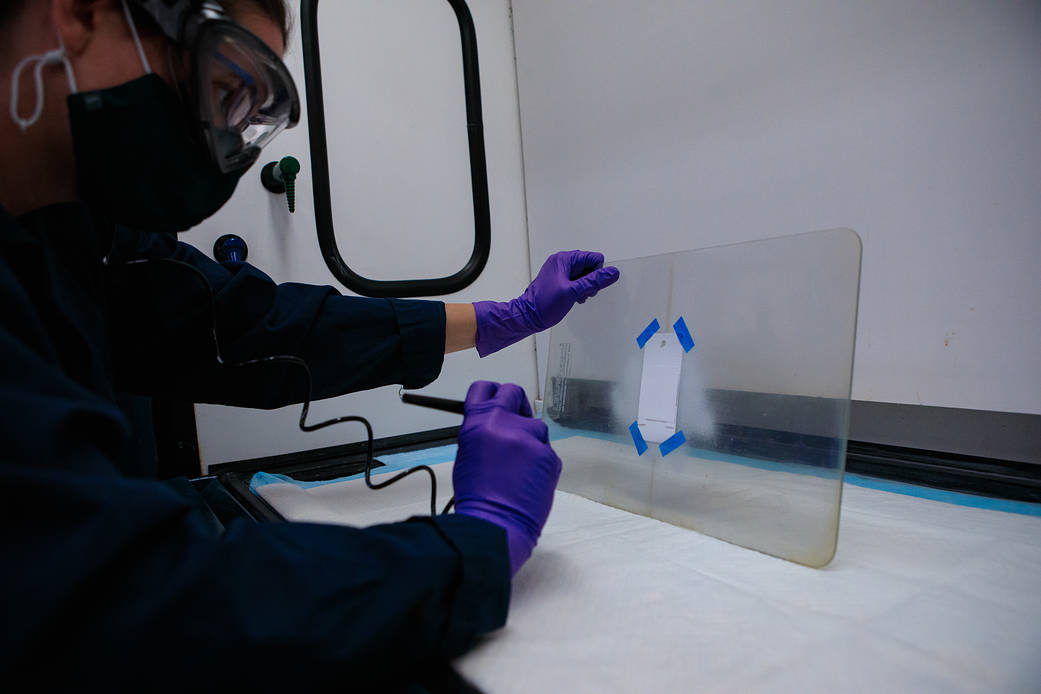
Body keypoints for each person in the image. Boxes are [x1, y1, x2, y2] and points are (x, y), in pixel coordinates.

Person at [0, 0, 620, 690]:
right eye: (222, 87)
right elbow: (116, 603)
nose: (220, 137)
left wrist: (505, 316)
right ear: (79, 12)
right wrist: (475, 544)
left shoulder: (67, 235)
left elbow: (246, 327)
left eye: (245, 112)